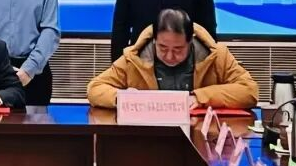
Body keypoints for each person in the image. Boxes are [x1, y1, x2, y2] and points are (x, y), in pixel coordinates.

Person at [88, 8, 257, 109]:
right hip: (150, 138)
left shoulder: (216, 56)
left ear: (190, 41)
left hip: (200, 138)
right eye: (162, 48)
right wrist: (123, 97)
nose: (169, 56)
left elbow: (249, 91)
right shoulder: (134, 58)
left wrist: (200, 98)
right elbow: (94, 88)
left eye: (178, 49)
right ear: (154, 40)